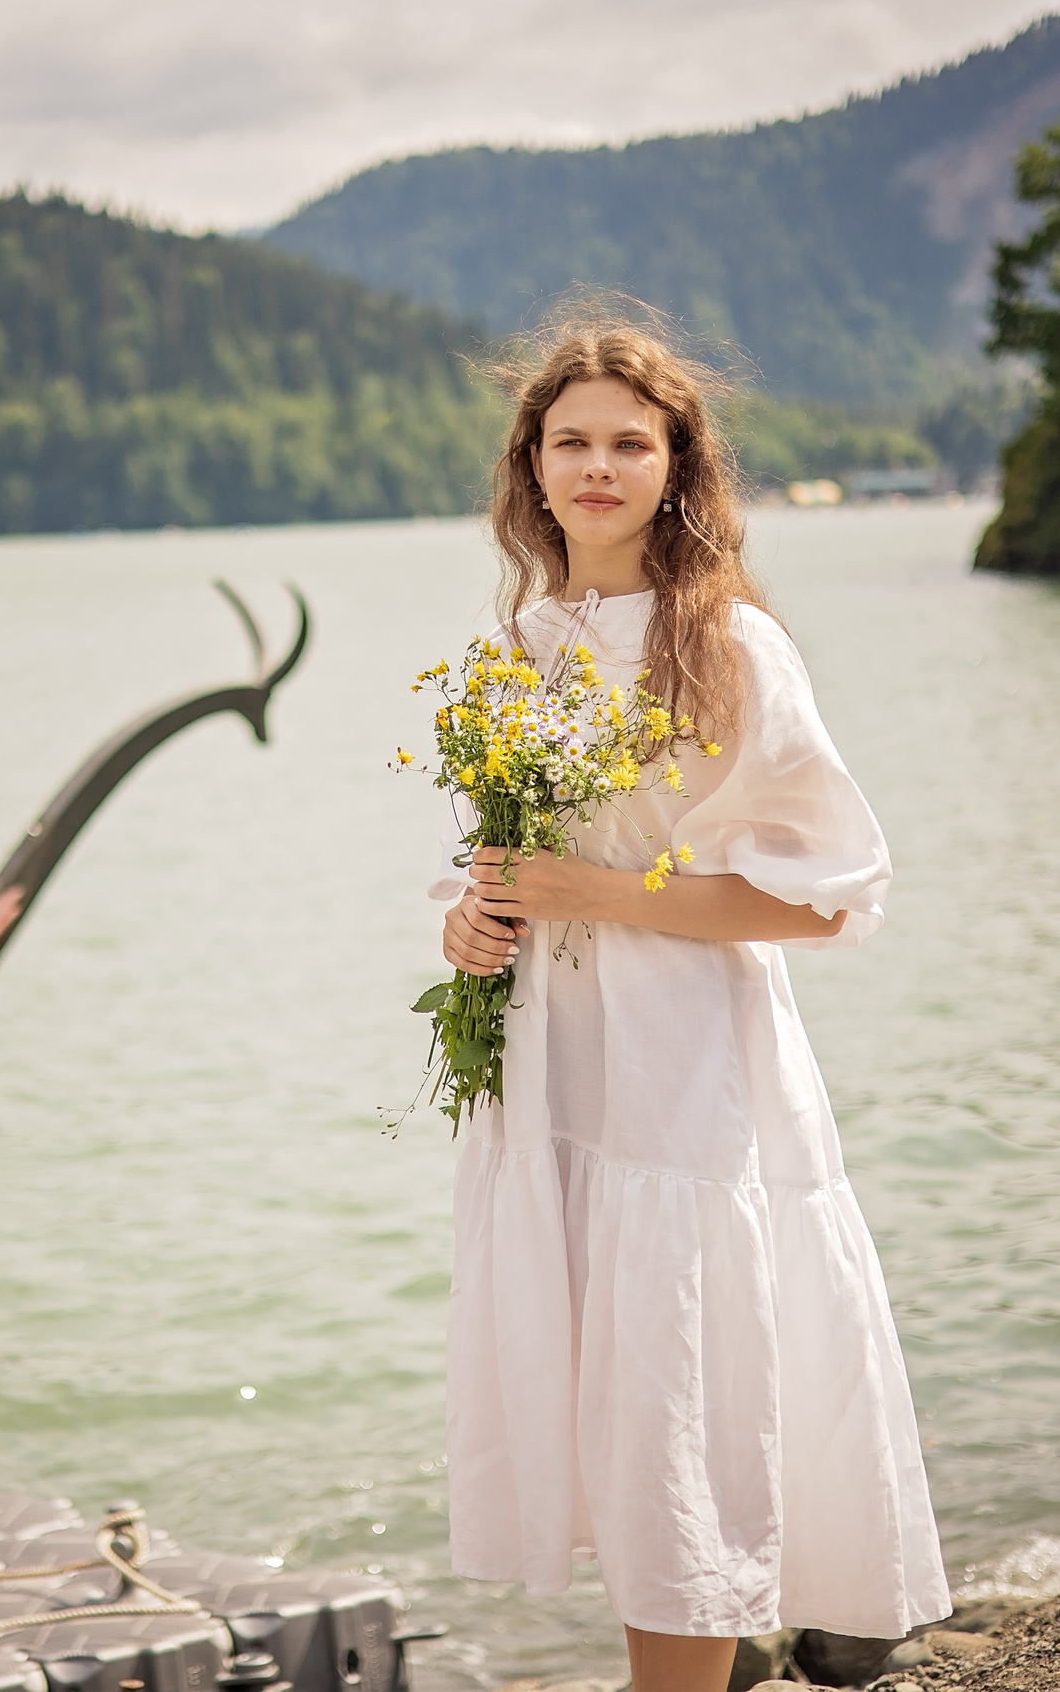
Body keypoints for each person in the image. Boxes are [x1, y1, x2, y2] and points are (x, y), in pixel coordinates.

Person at [433, 310, 949, 1690]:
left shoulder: (727, 645)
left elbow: (831, 894)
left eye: (629, 442)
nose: (598, 466)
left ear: (676, 466)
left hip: (687, 1086)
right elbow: (491, 869)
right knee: (613, 1416)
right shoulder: (520, 643)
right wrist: (472, 922)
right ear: (530, 467)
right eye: (571, 441)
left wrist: (601, 898)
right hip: (553, 1086)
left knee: (678, 1407)